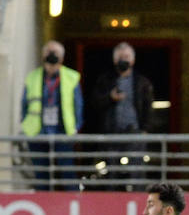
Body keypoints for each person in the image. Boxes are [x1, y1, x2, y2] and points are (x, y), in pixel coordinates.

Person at [90, 42, 155, 189]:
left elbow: (149, 108)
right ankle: (111, 204)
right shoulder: (105, 80)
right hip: (111, 133)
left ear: (132, 60)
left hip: (135, 133)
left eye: (126, 57)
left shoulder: (142, 82)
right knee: (110, 173)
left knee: (136, 172)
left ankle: (137, 203)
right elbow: (95, 103)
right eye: (120, 57)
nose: (123, 60)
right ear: (114, 60)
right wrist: (110, 98)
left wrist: (145, 130)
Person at [20, 40, 82, 191]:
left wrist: (75, 127)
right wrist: (25, 126)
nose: (52, 56)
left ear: (62, 57)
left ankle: (72, 203)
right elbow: (24, 105)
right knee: (41, 174)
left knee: (66, 171)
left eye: (55, 53)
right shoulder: (32, 77)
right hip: (37, 132)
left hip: (62, 131)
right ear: (42, 55)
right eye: (48, 52)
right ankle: (43, 206)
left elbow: (78, 105)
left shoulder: (71, 77)